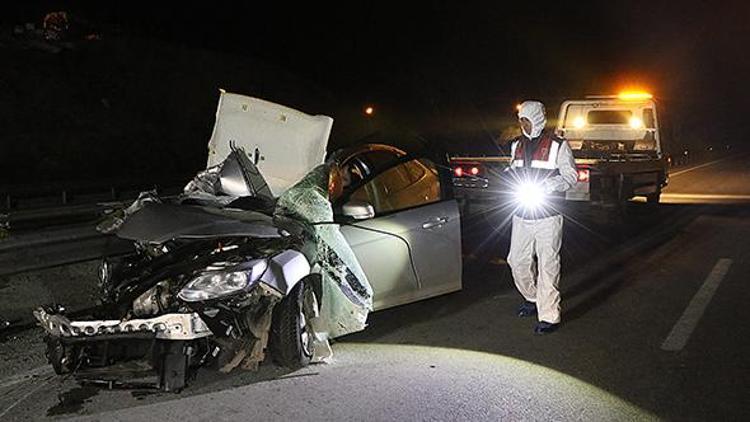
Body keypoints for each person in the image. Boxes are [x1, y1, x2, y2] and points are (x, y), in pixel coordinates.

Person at [506, 100, 578, 334]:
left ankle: (549, 316)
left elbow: (571, 176)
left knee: (548, 264)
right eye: (520, 121)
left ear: (536, 119)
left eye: (525, 120)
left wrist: (549, 185)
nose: (522, 125)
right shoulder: (516, 145)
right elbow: (513, 170)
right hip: (522, 213)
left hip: (548, 215)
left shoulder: (558, 145)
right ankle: (532, 297)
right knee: (516, 260)